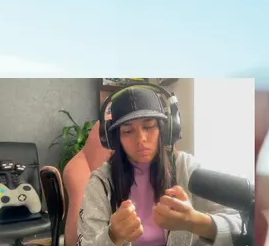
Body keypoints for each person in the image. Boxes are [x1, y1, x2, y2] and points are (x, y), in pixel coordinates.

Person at [78, 86, 243, 246]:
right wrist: (113, 236)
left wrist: (194, 221)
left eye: (149, 126)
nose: (141, 139)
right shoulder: (101, 183)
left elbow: (240, 225)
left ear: (165, 130)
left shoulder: (187, 168)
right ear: (115, 139)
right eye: (128, 131)